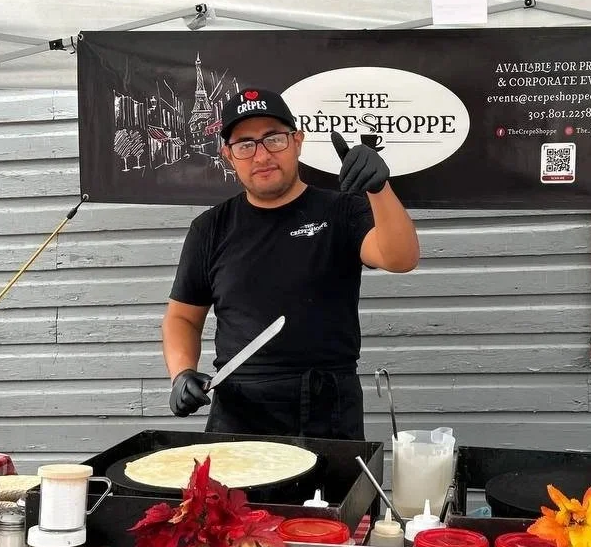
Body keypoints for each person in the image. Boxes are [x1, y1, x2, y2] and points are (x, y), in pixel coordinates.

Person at [160, 87, 420, 440]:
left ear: (297, 141)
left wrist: (379, 189)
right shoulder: (209, 229)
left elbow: (401, 258)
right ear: (228, 155)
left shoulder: (342, 210)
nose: (262, 155)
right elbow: (182, 318)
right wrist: (181, 373)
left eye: (274, 139)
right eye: (245, 145)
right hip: (239, 407)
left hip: (327, 404)